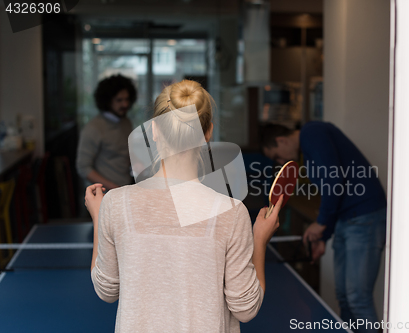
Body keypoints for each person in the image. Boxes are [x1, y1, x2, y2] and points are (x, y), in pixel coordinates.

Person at [84, 80, 283, 333]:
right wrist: (259, 239)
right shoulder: (232, 212)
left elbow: (106, 291)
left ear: (154, 130)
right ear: (208, 133)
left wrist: (100, 217)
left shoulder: (114, 204)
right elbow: (245, 309)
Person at [261, 122, 386, 333]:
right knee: (345, 298)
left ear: (281, 140)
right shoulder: (308, 150)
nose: (282, 162)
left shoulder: (312, 132)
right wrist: (323, 236)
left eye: (277, 156)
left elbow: (333, 180)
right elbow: (335, 189)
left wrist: (320, 224)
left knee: (357, 299)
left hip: (365, 217)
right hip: (348, 219)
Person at [76, 74, 137, 191]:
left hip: (127, 187)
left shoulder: (126, 122)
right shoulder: (94, 128)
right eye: (119, 100)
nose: (125, 104)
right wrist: (114, 188)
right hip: (105, 194)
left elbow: (125, 154)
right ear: (107, 101)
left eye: (127, 99)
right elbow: (83, 167)